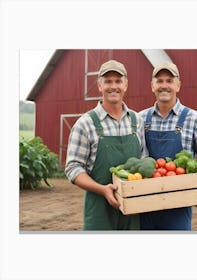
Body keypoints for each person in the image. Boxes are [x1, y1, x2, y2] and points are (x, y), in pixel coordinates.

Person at [139, 61, 197, 230]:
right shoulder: (139, 119)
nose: (164, 85)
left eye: (169, 80)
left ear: (178, 85)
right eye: (160, 81)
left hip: (179, 207)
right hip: (144, 205)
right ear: (152, 86)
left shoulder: (194, 118)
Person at [65, 60, 148, 230]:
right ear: (99, 86)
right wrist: (102, 189)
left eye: (118, 81)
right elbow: (73, 168)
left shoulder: (137, 121)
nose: (113, 86)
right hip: (99, 212)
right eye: (108, 81)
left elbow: (143, 159)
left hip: (132, 210)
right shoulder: (85, 124)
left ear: (126, 85)